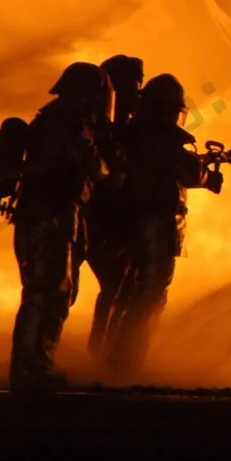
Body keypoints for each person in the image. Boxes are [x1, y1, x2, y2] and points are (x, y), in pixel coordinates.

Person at [106, 73, 222, 377]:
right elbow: (186, 170)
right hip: (154, 222)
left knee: (133, 290)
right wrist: (209, 177)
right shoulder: (157, 135)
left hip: (136, 221)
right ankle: (127, 362)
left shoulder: (136, 133)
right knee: (151, 291)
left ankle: (117, 357)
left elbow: (168, 165)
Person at [8, 62, 113, 394]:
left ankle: (34, 365)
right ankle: (32, 369)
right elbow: (93, 166)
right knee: (48, 292)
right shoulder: (70, 123)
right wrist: (109, 162)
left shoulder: (51, 118)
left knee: (48, 291)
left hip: (42, 213)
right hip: (52, 214)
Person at [86, 54, 145, 360]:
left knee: (116, 286)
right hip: (100, 220)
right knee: (114, 285)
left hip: (107, 219)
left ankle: (100, 351)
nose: (136, 92)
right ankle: (100, 354)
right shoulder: (103, 130)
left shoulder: (115, 128)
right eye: (132, 85)